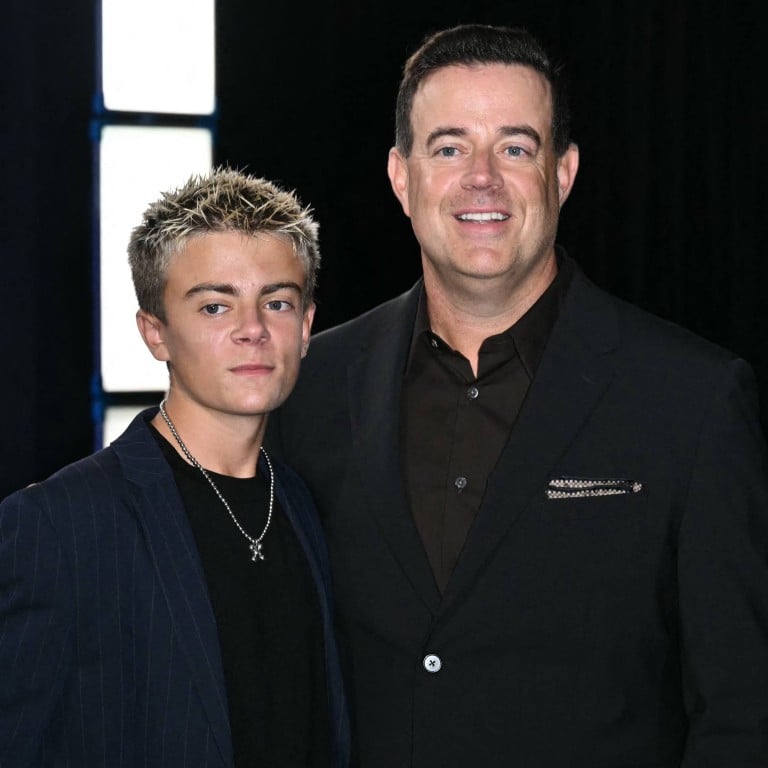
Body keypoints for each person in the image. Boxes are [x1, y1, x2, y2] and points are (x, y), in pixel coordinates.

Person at [265, 23, 768, 767]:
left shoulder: (691, 398)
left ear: (561, 175)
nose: (482, 178)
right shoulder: (308, 388)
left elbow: (742, 713)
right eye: (449, 147)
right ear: (402, 178)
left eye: (515, 147)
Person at [0, 168, 350, 767]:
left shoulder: (306, 505)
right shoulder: (57, 525)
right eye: (215, 306)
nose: (253, 330)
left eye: (277, 302)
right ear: (154, 333)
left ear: (307, 326)